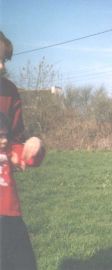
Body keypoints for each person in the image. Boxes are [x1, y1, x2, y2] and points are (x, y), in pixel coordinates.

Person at [0, 31, 45, 270]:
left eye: (4, 60)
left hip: (7, 205)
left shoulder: (9, 92)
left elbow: (15, 140)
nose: (1, 66)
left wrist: (31, 149)